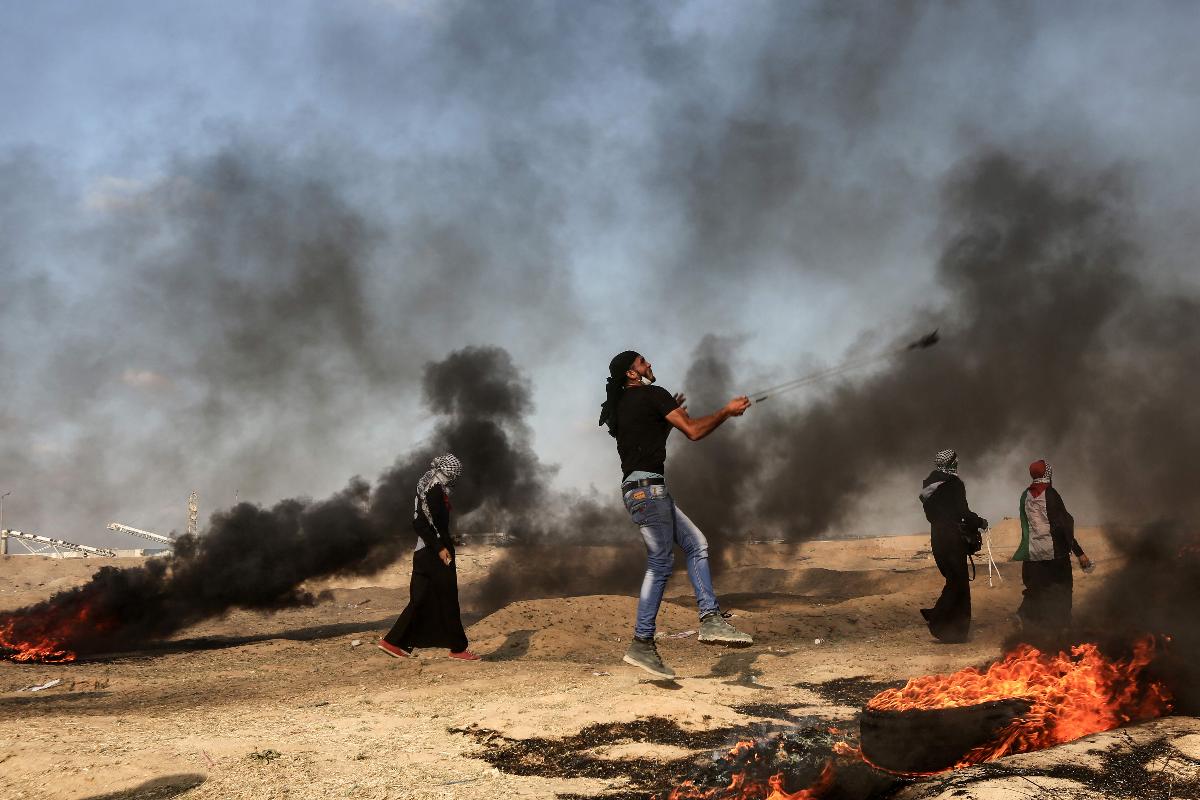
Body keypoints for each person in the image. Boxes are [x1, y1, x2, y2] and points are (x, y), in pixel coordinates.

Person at [598, 350, 753, 680]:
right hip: (649, 492)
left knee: (697, 544)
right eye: (642, 363)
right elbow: (694, 431)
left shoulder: (624, 405)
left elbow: (647, 442)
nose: (649, 364)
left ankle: (710, 620)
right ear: (631, 373)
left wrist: (666, 416)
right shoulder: (654, 394)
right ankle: (642, 642)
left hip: (642, 491)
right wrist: (726, 411)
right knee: (661, 561)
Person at [377, 454, 479, 661]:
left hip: (423, 553)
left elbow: (422, 523)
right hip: (435, 555)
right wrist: (441, 548)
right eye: (454, 471)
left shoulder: (425, 489)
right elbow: (422, 525)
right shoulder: (434, 491)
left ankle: (393, 642)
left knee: (420, 599)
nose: (455, 476)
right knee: (448, 600)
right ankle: (458, 649)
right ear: (447, 471)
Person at [1011, 459, 1091, 632]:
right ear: (1047, 473)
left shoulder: (1025, 495)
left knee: (1036, 590)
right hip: (1054, 554)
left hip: (1032, 554)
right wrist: (1079, 553)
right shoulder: (1051, 494)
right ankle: (1062, 628)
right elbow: (1062, 525)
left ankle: (1024, 615)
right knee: (1062, 590)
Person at [918, 449, 987, 643]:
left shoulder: (929, 486)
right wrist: (980, 522)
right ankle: (937, 617)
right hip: (952, 538)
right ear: (952, 464)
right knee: (958, 582)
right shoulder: (954, 484)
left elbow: (933, 516)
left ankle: (954, 633)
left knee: (956, 581)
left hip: (937, 537)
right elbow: (962, 512)